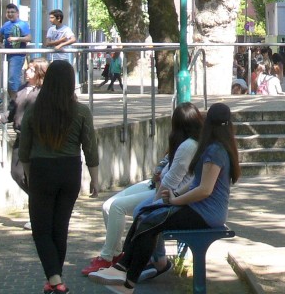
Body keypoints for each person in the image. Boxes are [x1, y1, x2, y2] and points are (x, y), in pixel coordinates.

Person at [91, 102, 240, 290]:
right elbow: (195, 184)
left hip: (206, 214)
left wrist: (175, 200)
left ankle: (127, 279)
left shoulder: (215, 150)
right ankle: (122, 272)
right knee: (145, 214)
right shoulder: (215, 147)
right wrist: (175, 194)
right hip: (201, 210)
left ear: (208, 122)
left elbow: (204, 190)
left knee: (150, 222)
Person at [81, 103, 203, 276]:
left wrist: (155, 201)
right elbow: (166, 162)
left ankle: (108, 257)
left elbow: (172, 181)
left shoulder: (189, 146)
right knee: (108, 206)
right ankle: (115, 254)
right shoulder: (184, 142)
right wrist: (157, 173)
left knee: (119, 207)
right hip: (156, 184)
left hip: (164, 191)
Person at [19, 59, 100, 294]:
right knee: (60, 227)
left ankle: (55, 279)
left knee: (41, 229)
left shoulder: (34, 109)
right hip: (70, 172)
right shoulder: (82, 111)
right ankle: (56, 279)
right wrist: (94, 178)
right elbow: (90, 148)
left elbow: (24, 150)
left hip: (41, 171)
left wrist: (28, 174)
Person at [0, 57, 49, 194]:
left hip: (37, 139)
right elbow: (14, 109)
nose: (26, 72)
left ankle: (40, 199)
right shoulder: (22, 88)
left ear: (40, 72)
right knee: (16, 173)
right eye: (27, 68)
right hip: (21, 137)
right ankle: (36, 196)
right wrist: (2, 117)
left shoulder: (45, 92)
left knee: (36, 173)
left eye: (31, 69)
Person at [0, 3, 32, 94]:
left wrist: (16, 38)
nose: (10, 14)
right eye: (8, 12)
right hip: (7, 55)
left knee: (13, 78)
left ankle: (16, 101)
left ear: (17, 13)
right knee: (9, 79)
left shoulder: (22, 24)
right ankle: (14, 100)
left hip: (18, 55)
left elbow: (29, 38)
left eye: (12, 12)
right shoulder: (6, 24)